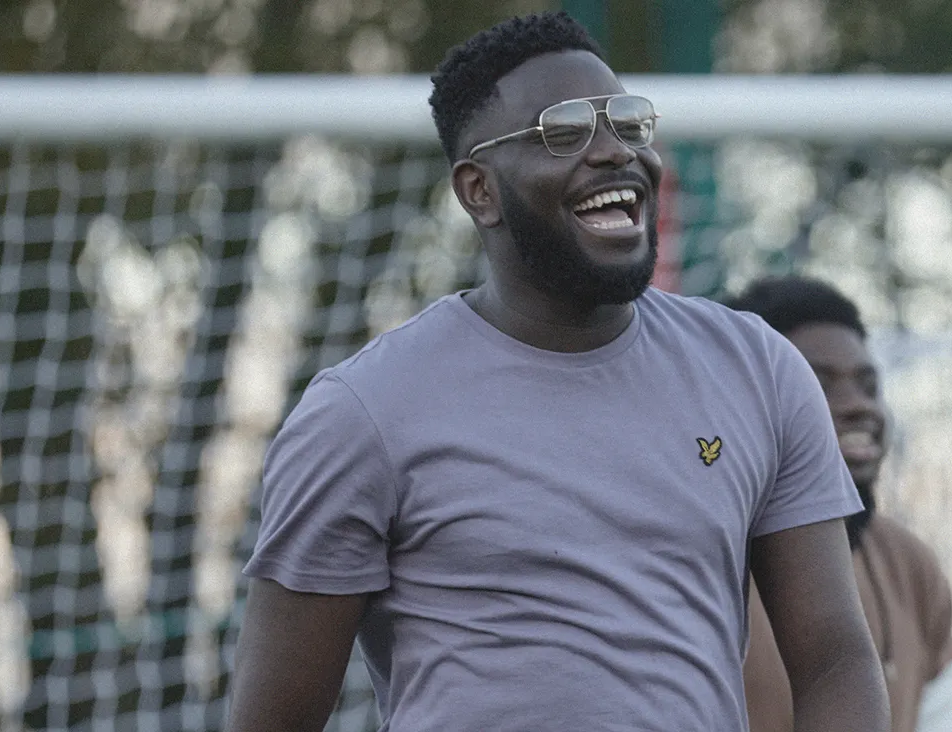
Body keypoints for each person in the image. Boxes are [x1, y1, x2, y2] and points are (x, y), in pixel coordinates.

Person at [225, 13, 889, 732]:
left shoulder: (757, 370)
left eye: (629, 124)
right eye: (563, 133)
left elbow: (835, 659)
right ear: (479, 191)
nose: (615, 153)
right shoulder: (362, 413)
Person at [726, 277, 952, 732]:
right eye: (818, 385)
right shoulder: (701, 555)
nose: (861, 407)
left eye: (868, 386)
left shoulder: (911, 564)